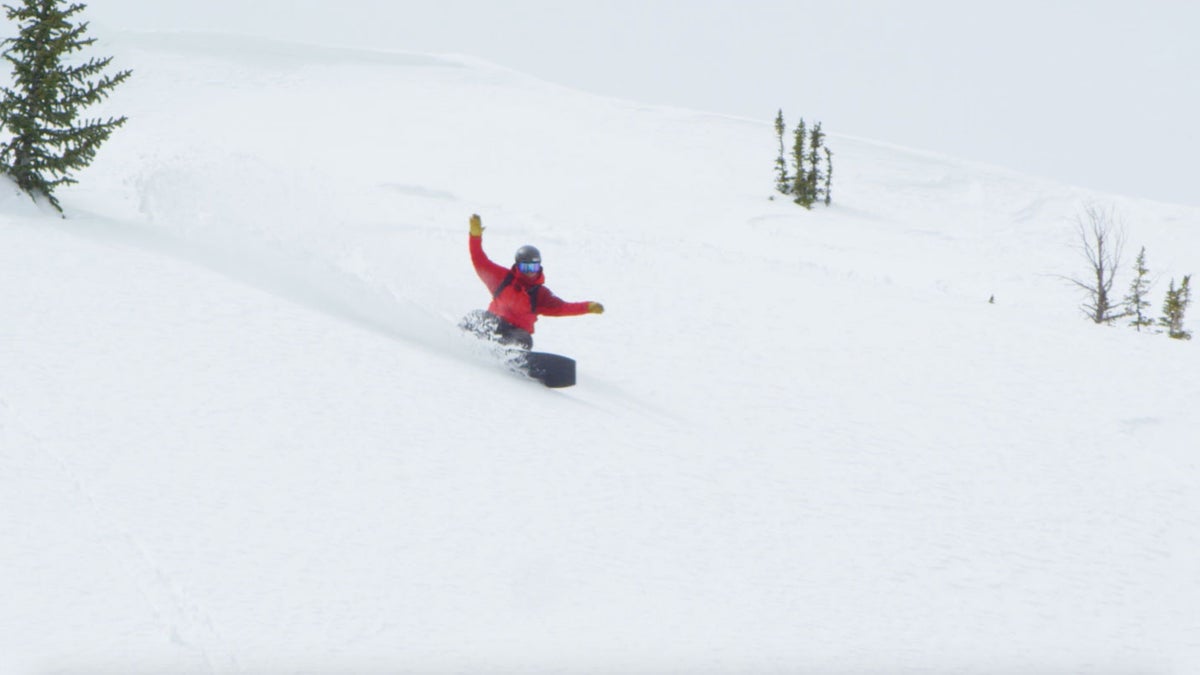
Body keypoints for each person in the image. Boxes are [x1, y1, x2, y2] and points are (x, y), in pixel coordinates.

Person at [464, 213, 603, 349]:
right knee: (477, 316)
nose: (530, 271)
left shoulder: (540, 294)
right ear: (518, 265)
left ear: (539, 266)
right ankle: (464, 339)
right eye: (525, 267)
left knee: (525, 340)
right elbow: (480, 261)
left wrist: (587, 307)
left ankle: (508, 354)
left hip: (516, 332)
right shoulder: (503, 279)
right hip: (495, 322)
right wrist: (475, 237)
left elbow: (563, 308)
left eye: (534, 267)